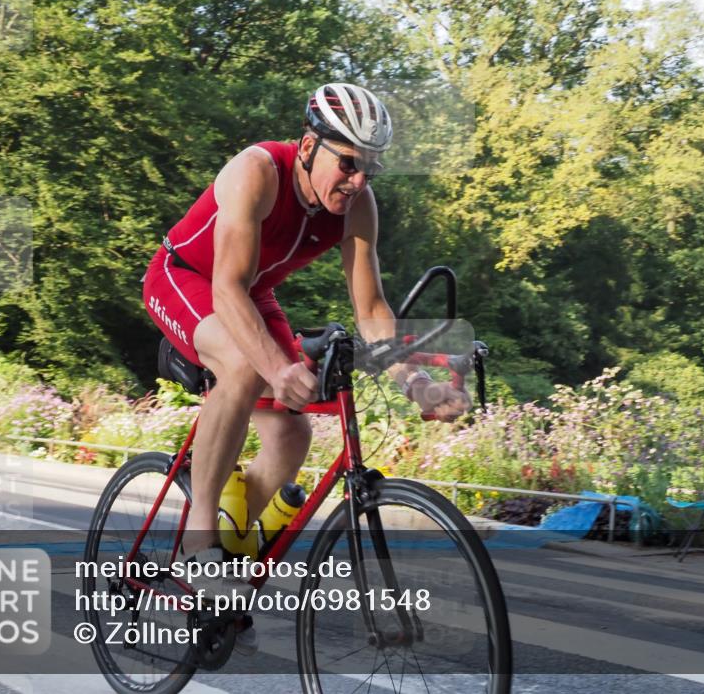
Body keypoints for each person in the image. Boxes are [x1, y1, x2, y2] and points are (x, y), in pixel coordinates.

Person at [142, 82, 468, 589]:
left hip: (255, 293)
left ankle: (228, 554)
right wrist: (275, 366)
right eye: (349, 164)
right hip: (187, 277)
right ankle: (197, 544)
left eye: (371, 168)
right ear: (310, 146)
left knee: (293, 434)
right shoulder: (257, 172)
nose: (359, 181)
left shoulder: (359, 206)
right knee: (247, 368)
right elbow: (227, 290)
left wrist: (415, 382)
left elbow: (372, 310)